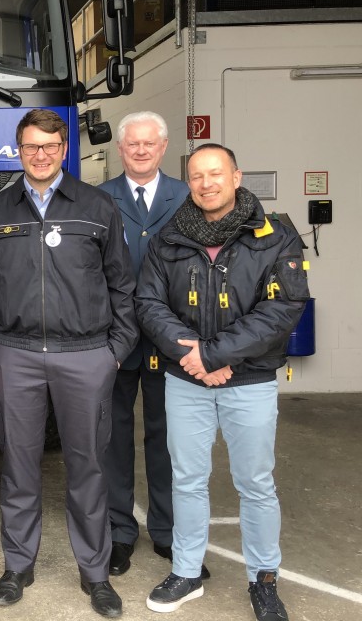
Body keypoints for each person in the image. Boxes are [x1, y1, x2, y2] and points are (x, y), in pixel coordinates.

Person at [0, 109, 138, 618]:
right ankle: (17, 566)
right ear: (18, 151)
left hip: (86, 356)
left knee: (87, 468)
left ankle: (96, 574)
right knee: (18, 468)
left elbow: (122, 285)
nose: (40, 155)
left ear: (64, 149)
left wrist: (115, 352)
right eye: (31, 147)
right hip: (14, 355)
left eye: (50, 146)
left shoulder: (97, 206)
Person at [137, 144, 308, 621]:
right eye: (196, 176)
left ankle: (264, 579)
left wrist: (214, 354)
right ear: (188, 182)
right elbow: (148, 302)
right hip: (185, 378)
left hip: (248, 380)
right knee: (187, 480)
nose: (206, 183)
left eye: (215, 174)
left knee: (255, 483)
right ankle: (187, 571)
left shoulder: (275, 235)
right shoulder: (168, 237)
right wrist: (192, 352)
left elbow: (283, 308)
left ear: (235, 177)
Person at [98, 112, 190, 576]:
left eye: (148, 144)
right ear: (120, 149)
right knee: (113, 440)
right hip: (115, 340)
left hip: (170, 339)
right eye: (131, 144)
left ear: (163, 146)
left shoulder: (187, 197)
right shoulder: (98, 199)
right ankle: (119, 532)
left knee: (167, 439)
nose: (139, 150)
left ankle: (169, 533)